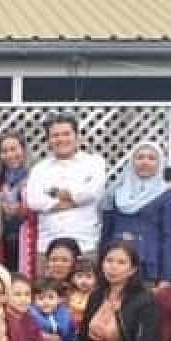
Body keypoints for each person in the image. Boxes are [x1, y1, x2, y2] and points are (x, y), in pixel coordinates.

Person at [25, 112, 108, 266]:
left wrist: (55, 197)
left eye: (66, 134)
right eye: (55, 135)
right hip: (47, 247)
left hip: (84, 244)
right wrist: (74, 200)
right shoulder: (40, 169)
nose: (61, 139)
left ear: (77, 136)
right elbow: (33, 201)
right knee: (46, 290)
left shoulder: (94, 163)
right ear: (48, 140)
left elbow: (91, 193)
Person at [100, 141, 171, 285]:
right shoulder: (116, 192)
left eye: (151, 158)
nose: (145, 162)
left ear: (159, 163)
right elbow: (106, 233)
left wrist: (167, 277)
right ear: (132, 161)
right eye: (140, 157)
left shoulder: (167, 195)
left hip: (148, 267)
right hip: (115, 267)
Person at [0, 130, 37, 275]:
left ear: (23, 150)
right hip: (5, 241)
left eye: (14, 149)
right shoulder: (0, 180)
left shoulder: (35, 176)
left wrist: (22, 210)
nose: (9, 155)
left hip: (28, 239)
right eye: (4, 151)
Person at [65, 256, 96, 330]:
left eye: (89, 276)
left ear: (96, 278)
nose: (84, 280)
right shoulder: (68, 293)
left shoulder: (96, 295)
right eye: (79, 276)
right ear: (72, 278)